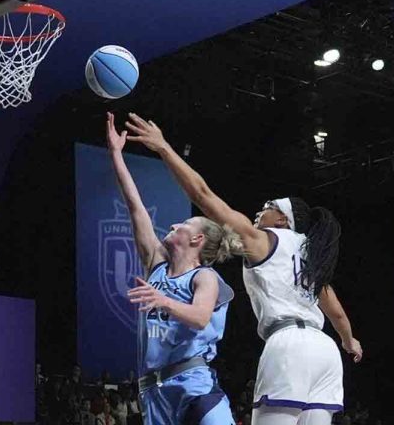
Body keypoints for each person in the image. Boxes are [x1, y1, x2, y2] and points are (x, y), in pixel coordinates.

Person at [123, 113, 363, 425]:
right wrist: (349, 341)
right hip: (325, 352)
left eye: (270, 207)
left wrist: (164, 148)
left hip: (289, 345)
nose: (261, 209)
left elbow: (203, 196)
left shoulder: (262, 240)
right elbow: (337, 314)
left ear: (283, 220)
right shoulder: (311, 257)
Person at [106, 112, 245, 424]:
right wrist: (115, 154)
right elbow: (135, 206)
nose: (172, 225)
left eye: (182, 223)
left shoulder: (204, 277)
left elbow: (200, 317)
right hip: (154, 392)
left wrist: (164, 301)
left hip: (193, 385)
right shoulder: (156, 264)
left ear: (196, 238)